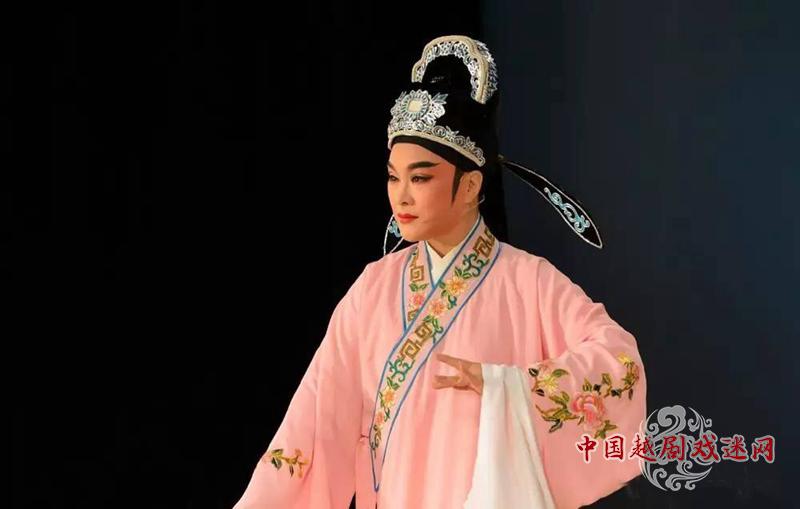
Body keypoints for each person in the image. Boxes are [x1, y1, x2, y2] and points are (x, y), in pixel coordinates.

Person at [233, 35, 646, 509]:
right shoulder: (373, 289)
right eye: (394, 176)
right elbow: (314, 424)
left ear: (469, 185)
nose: (401, 196)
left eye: (421, 177)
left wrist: (510, 387)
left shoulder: (528, 282)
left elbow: (620, 364)